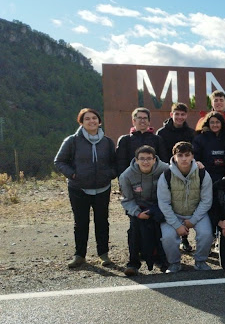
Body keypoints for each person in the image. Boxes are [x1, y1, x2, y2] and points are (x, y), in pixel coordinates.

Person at [54, 108, 117, 268]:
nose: (91, 121)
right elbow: (59, 161)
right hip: (78, 189)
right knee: (81, 222)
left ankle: (104, 255)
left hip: (103, 188)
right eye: (87, 119)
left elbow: (115, 163)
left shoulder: (107, 142)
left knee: (102, 221)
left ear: (99, 121)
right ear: (81, 122)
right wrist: (73, 175)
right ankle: (79, 255)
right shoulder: (72, 141)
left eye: (94, 118)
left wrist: (109, 174)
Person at [157, 141, 214, 273]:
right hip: (174, 214)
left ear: (192, 156)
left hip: (196, 213)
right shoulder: (166, 175)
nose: (184, 159)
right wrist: (177, 225)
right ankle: (174, 263)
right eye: (180, 155)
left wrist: (192, 220)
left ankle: (200, 261)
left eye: (187, 155)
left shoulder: (202, 174)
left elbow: (206, 200)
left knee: (206, 234)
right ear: (174, 157)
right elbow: (164, 204)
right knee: (168, 237)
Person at [118, 145, 169, 275]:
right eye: (142, 159)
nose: (145, 162)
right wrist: (137, 213)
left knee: (160, 229)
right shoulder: (126, 176)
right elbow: (126, 199)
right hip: (138, 207)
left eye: (148, 159)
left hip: (159, 206)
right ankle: (133, 263)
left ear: (154, 159)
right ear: (136, 160)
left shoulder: (166, 169)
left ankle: (162, 261)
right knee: (134, 230)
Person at [115, 107, 167, 176]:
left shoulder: (157, 139)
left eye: (145, 118)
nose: (142, 120)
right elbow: (120, 164)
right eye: (139, 118)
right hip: (131, 179)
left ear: (149, 122)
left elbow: (163, 161)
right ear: (133, 121)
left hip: (154, 179)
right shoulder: (125, 140)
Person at [192, 111, 225, 184]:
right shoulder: (200, 138)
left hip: (224, 177)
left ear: (222, 123)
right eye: (212, 122)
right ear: (208, 124)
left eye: (217, 122)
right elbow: (195, 157)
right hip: (206, 177)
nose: (215, 125)